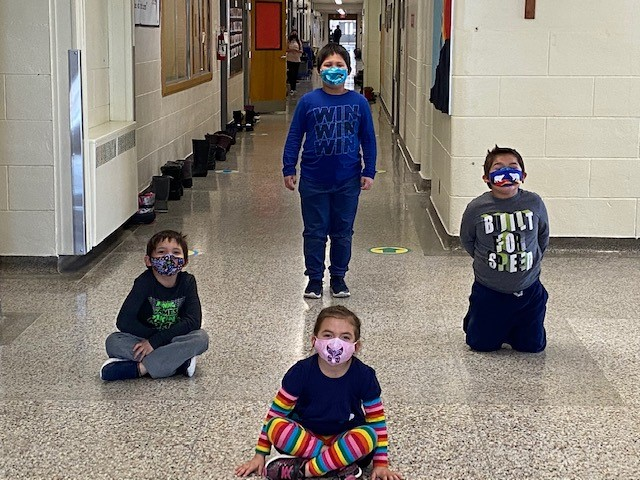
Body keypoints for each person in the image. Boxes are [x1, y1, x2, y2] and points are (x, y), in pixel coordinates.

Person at [235, 305, 403, 480]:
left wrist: (381, 464)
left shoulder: (364, 375)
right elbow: (275, 413)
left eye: (345, 337)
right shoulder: (300, 372)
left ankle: (304, 470)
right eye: (328, 335)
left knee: (368, 435)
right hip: (306, 439)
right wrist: (259, 454)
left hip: (344, 438)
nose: (335, 343)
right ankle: (338, 465)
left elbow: (377, 420)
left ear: (356, 346)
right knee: (275, 426)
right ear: (314, 341)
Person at [282, 43, 377, 299]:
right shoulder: (308, 101)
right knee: (314, 231)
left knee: (342, 232)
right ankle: (314, 279)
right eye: (327, 65)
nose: (333, 70)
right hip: (313, 179)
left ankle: (338, 277)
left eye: (339, 65)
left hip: (347, 180)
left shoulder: (358, 103)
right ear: (318, 69)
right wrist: (288, 166)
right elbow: (294, 137)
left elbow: (368, 139)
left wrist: (370, 170)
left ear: (348, 70)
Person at [460, 146, 550, 353]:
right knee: (481, 345)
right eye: (498, 168)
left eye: (513, 167)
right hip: (489, 290)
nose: (506, 172)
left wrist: (531, 260)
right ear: (486, 177)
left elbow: (542, 235)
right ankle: (476, 317)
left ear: (523, 175)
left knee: (532, 347)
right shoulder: (477, 208)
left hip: (528, 289)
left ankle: (518, 326)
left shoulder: (533, 202)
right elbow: (468, 240)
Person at [100, 230, 209, 380]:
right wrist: (152, 340)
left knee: (201, 338)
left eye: (176, 252)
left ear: (185, 261)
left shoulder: (188, 282)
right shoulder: (144, 282)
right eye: (161, 252)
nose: (169, 257)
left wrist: (156, 342)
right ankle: (179, 362)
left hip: (173, 337)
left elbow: (193, 321)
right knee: (113, 342)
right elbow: (124, 321)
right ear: (148, 261)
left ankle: (140, 369)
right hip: (146, 338)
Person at [286, 30, 303, 95]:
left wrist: (297, 51)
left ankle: (294, 88)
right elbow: (286, 49)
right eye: (293, 33)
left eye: (295, 33)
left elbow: (301, 50)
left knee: (295, 74)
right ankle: (291, 87)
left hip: (297, 59)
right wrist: (291, 50)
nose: (294, 34)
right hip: (290, 59)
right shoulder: (288, 41)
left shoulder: (299, 42)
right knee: (290, 74)